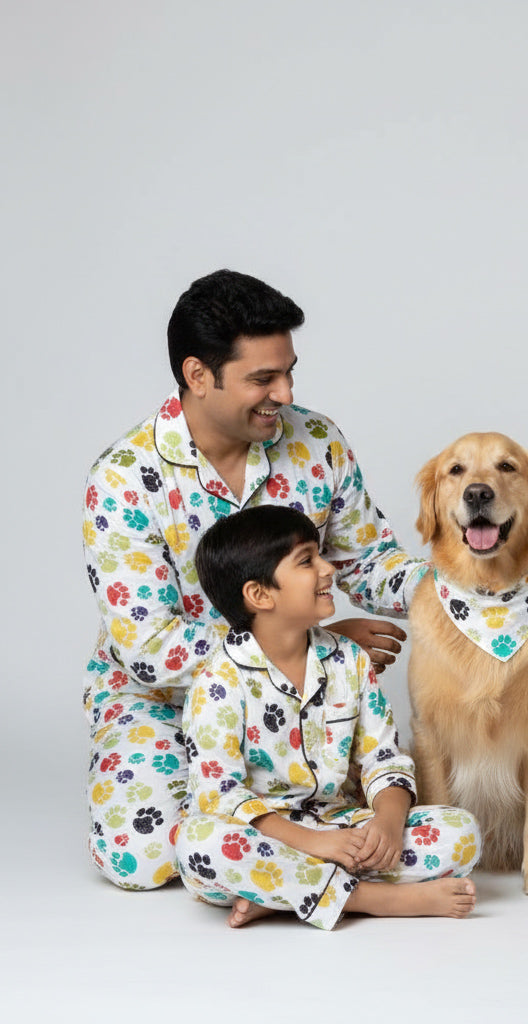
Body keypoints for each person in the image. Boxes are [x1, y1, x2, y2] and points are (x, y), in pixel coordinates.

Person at [83, 269, 425, 890]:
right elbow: (147, 648)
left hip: (300, 699)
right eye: (263, 378)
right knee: (144, 860)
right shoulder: (123, 478)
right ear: (197, 375)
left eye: (289, 370)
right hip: (165, 701)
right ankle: (283, 845)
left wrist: (466, 591)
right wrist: (303, 640)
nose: (286, 393)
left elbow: (372, 561)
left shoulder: (317, 442)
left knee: (391, 830)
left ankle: (279, 857)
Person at [175, 505, 478, 928]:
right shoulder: (218, 683)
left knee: (460, 833)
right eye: (307, 561)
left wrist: (388, 826)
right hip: (266, 837)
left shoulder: (349, 660)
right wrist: (316, 844)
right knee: (199, 846)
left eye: (320, 555)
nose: (327, 570)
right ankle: (372, 899)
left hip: (341, 825)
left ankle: (284, 894)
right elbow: (221, 795)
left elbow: (383, 759)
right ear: (260, 595)